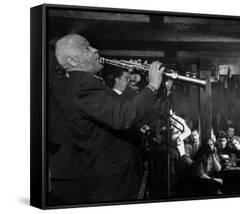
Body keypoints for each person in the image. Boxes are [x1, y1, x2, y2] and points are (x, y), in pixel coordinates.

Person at [48, 34, 164, 204]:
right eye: (86, 48)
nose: (95, 50)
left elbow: (119, 109)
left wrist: (134, 84)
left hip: (114, 175)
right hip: (109, 179)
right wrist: (152, 86)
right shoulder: (82, 86)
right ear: (73, 61)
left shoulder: (88, 83)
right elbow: (123, 117)